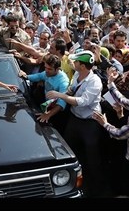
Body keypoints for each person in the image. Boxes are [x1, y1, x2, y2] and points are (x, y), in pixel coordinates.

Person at [45, 50, 105, 197]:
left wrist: (60, 95)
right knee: (70, 151)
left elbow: (83, 102)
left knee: (92, 158)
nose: (73, 63)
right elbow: (72, 90)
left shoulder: (95, 82)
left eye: (76, 62)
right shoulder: (77, 75)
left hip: (90, 123)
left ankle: (95, 189)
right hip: (75, 119)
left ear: (82, 66)